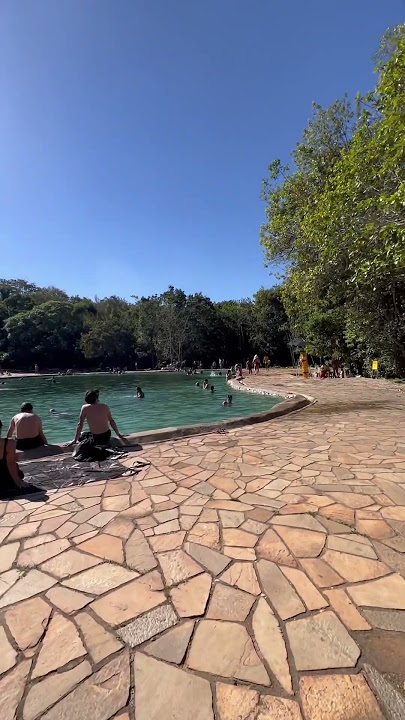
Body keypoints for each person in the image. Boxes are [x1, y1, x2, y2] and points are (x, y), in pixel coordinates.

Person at [0, 419, 41, 497]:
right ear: (1, 428)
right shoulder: (9, 443)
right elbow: (11, 464)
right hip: (5, 478)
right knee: (18, 472)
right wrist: (18, 482)